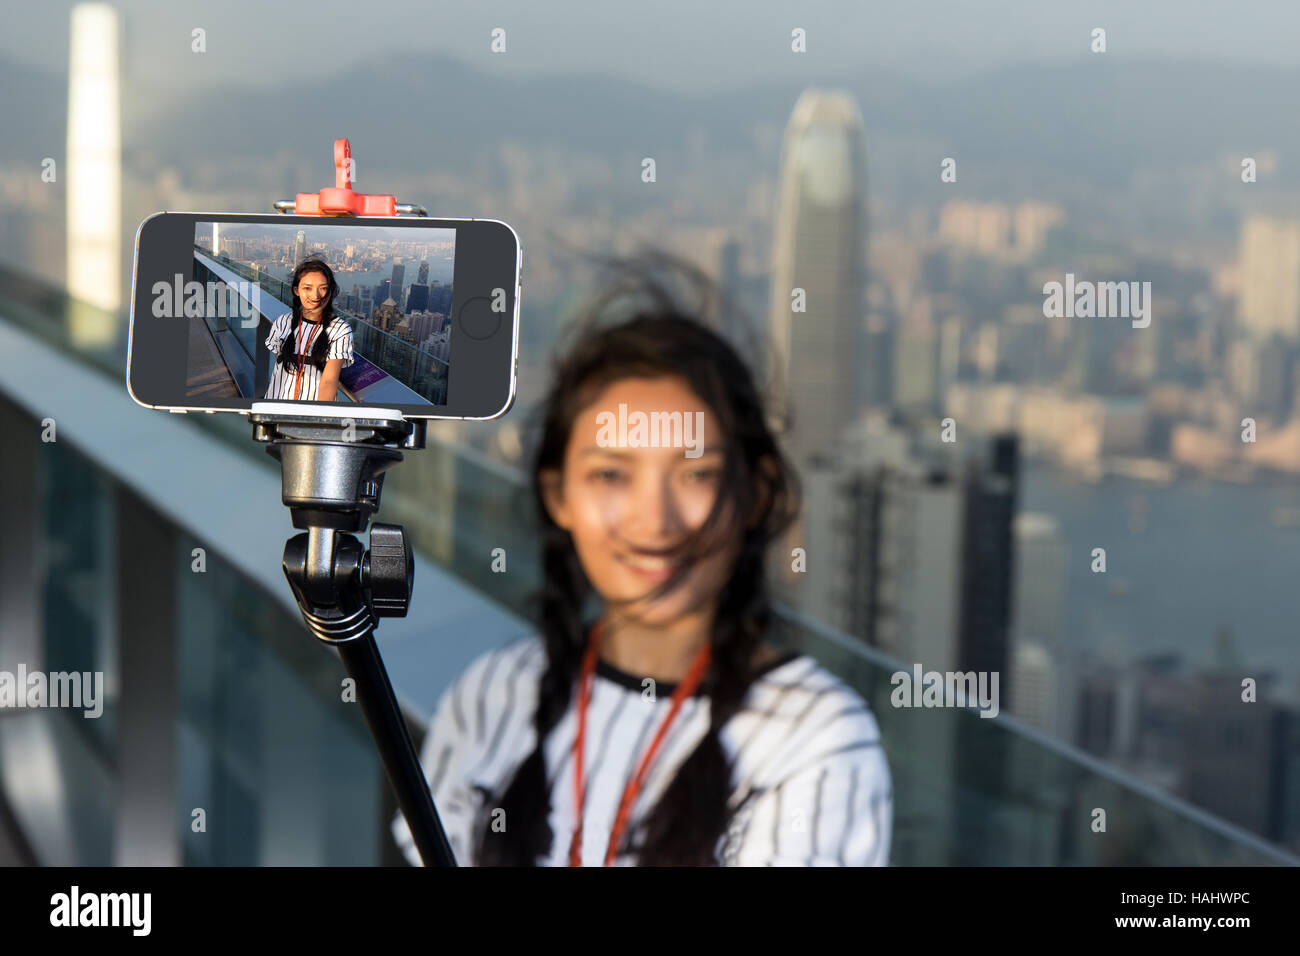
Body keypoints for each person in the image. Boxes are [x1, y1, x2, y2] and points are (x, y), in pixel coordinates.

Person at [392, 255, 892, 866]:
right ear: (558, 495)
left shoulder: (816, 736)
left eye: (696, 473)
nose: (655, 520)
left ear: (755, 493)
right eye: (611, 474)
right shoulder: (494, 694)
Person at [264, 258, 354, 401]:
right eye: (307, 288)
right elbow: (280, 367)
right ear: (296, 290)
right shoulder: (282, 322)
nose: (315, 295)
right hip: (276, 406)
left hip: (312, 413)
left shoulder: (340, 329)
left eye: (323, 288)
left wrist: (317, 419)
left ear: (330, 292)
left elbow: (329, 381)